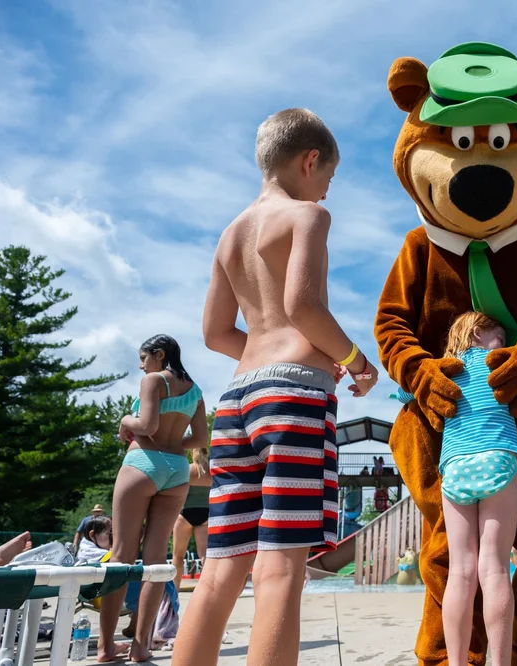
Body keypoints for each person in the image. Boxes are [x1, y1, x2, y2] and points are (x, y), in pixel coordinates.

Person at [171, 108, 377, 666]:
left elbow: (215, 333)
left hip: (237, 401)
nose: (327, 192)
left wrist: (274, 354)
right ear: (310, 160)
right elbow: (303, 307)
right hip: (293, 401)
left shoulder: (230, 233)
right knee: (281, 568)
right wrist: (354, 359)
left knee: (219, 569)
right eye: (328, 178)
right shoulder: (306, 217)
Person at [99, 334, 209, 663]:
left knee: (121, 556)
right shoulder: (196, 391)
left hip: (142, 464)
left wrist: (124, 420)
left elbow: (146, 425)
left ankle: (105, 648)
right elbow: (202, 437)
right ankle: (141, 646)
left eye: (144, 357)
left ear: (159, 355)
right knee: (156, 563)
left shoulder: (153, 380)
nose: (141, 365)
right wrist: (174, 444)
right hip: (176, 471)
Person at [431, 312, 517, 666]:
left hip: (455, 466)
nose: (505, 341)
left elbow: (407, 389)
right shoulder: (503, 364)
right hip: (497, 458)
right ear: (478, 333)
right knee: (496, 567)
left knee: (461, 569)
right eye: (498, 334)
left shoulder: (444, 368)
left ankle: (457, 663)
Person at [170, 446, 212, 591]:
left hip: (186, 513)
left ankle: (174, 589)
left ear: (193, 452)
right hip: (206, 514)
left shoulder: (188, 470)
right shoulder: (212, 471)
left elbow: (178, 494)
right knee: (204, 555)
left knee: (178, 556)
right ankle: (208, 588)